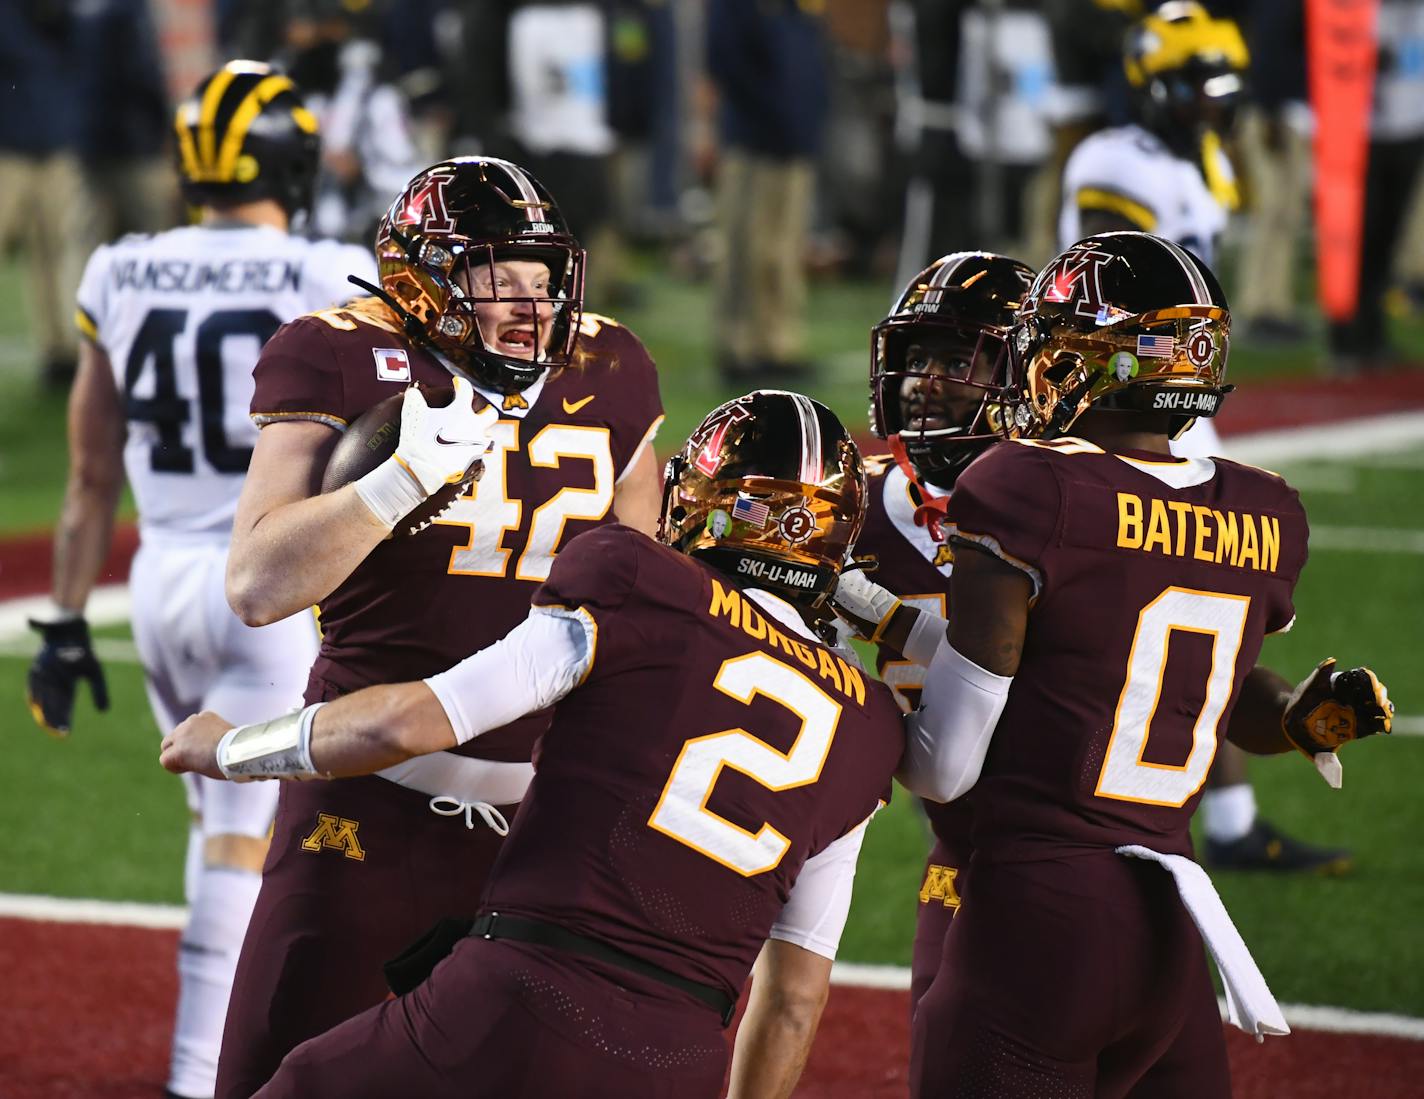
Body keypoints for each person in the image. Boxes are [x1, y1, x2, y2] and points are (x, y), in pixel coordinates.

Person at [160, 390, 906, 1098]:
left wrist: (230, 750)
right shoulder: (870, 722)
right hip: (681, 1057)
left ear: (704, 501)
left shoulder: (638, 578)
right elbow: (794, 1002)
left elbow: (405, 722)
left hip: (521, 994)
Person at [891, 232, 1394, 1096]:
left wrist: (852, 702)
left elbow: (945, 765)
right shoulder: (1265, 511)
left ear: (1094, 359)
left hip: (1034, 918)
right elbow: (1182, 688)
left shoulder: (1024, 486)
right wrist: (1290, 718)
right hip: (1168, 925)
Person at [213, 154, 666, 1097]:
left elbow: (648, 590)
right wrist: (400, 479)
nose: (531, 302)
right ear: (425, 278)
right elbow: (257, 585)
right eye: (500, 276)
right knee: (273, 1077)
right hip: (368, 803)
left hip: (551, 828)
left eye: (542, 277)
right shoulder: (337, 351)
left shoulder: (612, 363)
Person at [23, 61, 375, 1099]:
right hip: (265, 583)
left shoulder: (121, 269)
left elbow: (91, 471)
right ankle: (198, 1077)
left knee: (217, 825)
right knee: (253, 839)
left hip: (160, 578)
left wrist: (65, 622)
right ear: (292, 161)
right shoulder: (322, 268)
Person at [1058, 1, 1350, 872]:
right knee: (1141, 611)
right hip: (1125, 402)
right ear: (1152, 86)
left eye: (1219, 89)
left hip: (1177, 402)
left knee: (1201, 609)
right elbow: (1107, 292)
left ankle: (1222, 820)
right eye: (1195, 88)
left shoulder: (1197, 157)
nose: (1210, 105)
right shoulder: (1113, 157)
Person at [836, 250, 1033, 1015]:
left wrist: (884, 616)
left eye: (959, 358)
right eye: (918, 358)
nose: (926, 380)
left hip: (1073, 847)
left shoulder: (1066, 508)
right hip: (955, 859)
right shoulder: (847, 512)